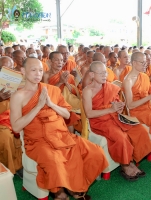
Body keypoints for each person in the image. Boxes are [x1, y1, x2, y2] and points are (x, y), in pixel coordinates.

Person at [10, 57, 108, 200]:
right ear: (23, 71)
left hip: (62, 136)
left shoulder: (51, 90)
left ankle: (74, 187)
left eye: (40, 70)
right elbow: (16, 126)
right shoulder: (17, 96)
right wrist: (38, 106)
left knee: (95, 152)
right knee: (55, 162)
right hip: (38, 141)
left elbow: (67, 114)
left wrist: (50, 104)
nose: (38, 73)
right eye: (33, 70)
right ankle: (60, 193)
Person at [83, 61, 151, 181]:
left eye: (105, 72)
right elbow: (89, 113)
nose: (104, 75)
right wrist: (111, 109)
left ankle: (133, 159)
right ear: (92, 75)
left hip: (115, 117)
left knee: (139, 129)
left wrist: (119, 107)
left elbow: (115, 103)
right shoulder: (87, 91)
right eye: (100, 73)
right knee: (121, 137)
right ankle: (125, 165)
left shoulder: (110, 87)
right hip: (100, 122)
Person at [43, 52, 81, 133]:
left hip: (66, 102)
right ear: (50, 62)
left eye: (61, 60)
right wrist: (60, 82)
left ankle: (70, 138)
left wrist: (66, 82)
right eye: (57, 60)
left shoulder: (67, 75)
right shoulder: (45, 75)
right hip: (52, 102)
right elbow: (47, 94)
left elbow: (73, 92)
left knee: (71, 115)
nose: (60, 62)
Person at [0, 56, 23, 177]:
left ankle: (24, 163)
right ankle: (13, 166)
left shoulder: (18, 79)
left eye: (10, 68)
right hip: (1, 120)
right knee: (6, 136)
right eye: (4, 69)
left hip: (15, 114)